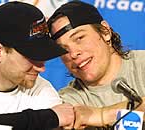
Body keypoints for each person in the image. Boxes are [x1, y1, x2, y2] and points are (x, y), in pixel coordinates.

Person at [48, 1, 145, 129]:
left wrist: (100, 115)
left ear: (105, 32)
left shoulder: (141, 63)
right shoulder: (69, 102)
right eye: (63, 49)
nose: (73, 54)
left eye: (79, 38)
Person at [0, 1, 74, 129]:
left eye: (43, 56)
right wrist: (47, 118)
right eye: (32, 56)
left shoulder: (41, 90)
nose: (41, 68)